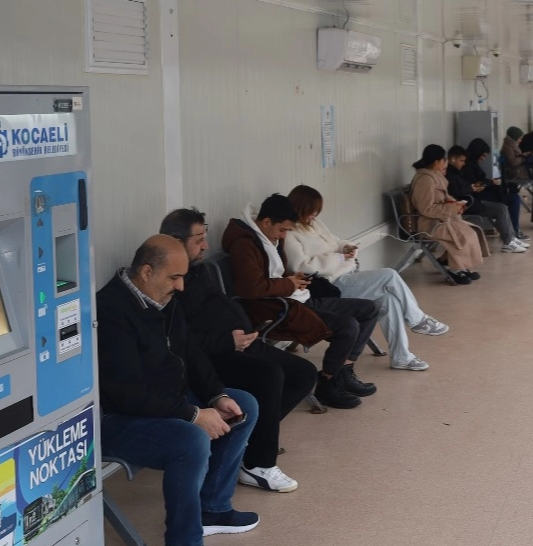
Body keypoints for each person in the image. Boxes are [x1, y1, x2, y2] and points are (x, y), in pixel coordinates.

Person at [97, 235, 260, 546]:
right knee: (190, 440)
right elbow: (128, 394)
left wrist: (215, 397)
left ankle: (212, 509)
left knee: (243, 406)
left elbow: (191, 353)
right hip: (118, 419)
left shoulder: (163, 298)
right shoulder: (109, 311)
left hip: (165, 402)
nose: (181, 286)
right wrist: (194, 415)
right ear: (146, 272)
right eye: (174, 277)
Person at [160, 208, 317, 493]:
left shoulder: (199, 270)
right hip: (212, 356)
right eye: (199, 239)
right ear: (176, 241)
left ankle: (246, 442)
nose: (205, 245)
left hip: (240, 344)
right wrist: (227, 342)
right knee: (269, 374)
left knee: (303, 372)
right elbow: (180, 341)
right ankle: (258, 464)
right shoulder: (170, 280)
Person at [222, 194, 378, 409]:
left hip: (296, 299)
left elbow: (275, 274)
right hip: (277, 309)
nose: (284, 235)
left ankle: (344, 370)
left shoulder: (269, 238)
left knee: (369, 309)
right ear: (266, 222)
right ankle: (328, 382)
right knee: (347, 327)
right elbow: (251, 288)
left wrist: (295, 280)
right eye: (282, 230)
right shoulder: (244, 245)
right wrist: (288, 284)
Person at [283, 185, 448, 372]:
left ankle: (401, 357)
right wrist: (338, 258)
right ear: (300, 208)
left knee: (389, 300)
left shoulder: (314, 224)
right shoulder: (290, 234)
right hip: (329, 284)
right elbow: (301, 267)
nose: (314, 215)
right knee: (389, 275)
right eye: (312, 211)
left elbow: (335, 241)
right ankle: (417, 319)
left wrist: (346, 247)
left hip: (346, 276)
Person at [409, 144, 486, 285]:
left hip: (440, 219)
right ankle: (455, 270)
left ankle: (455, 264)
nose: (445, 163)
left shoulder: (433, 176)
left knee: (471, 231)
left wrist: (455, 204)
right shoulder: (425, 180)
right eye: (443, 160)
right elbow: (426, 209)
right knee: (461, 236)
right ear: (436, 162)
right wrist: (451, 209)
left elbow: (443, 197)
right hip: (429, 224)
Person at [445, 145, 527, 253]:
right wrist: (472, 188)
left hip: (470, 200)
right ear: (452, 159)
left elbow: (463, 187)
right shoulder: (450, 174)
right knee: (500, 209)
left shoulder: (456, 172)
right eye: (461, 161)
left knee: (501, 207)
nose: (463, 163)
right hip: (467, 204)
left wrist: (473, 187)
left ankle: (510, 238)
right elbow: (455, 191)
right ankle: (509, 241)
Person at [464, 137, 530, 243]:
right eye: (483, 155)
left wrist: (489, 182)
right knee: (513, 199)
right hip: (479, 196)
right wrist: (490, 182)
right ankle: (513, 232)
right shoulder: (468, 167)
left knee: (511, 197)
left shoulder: (472, 164)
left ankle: (512, 233)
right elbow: (476, 184)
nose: (483, 159)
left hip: (482, 193)